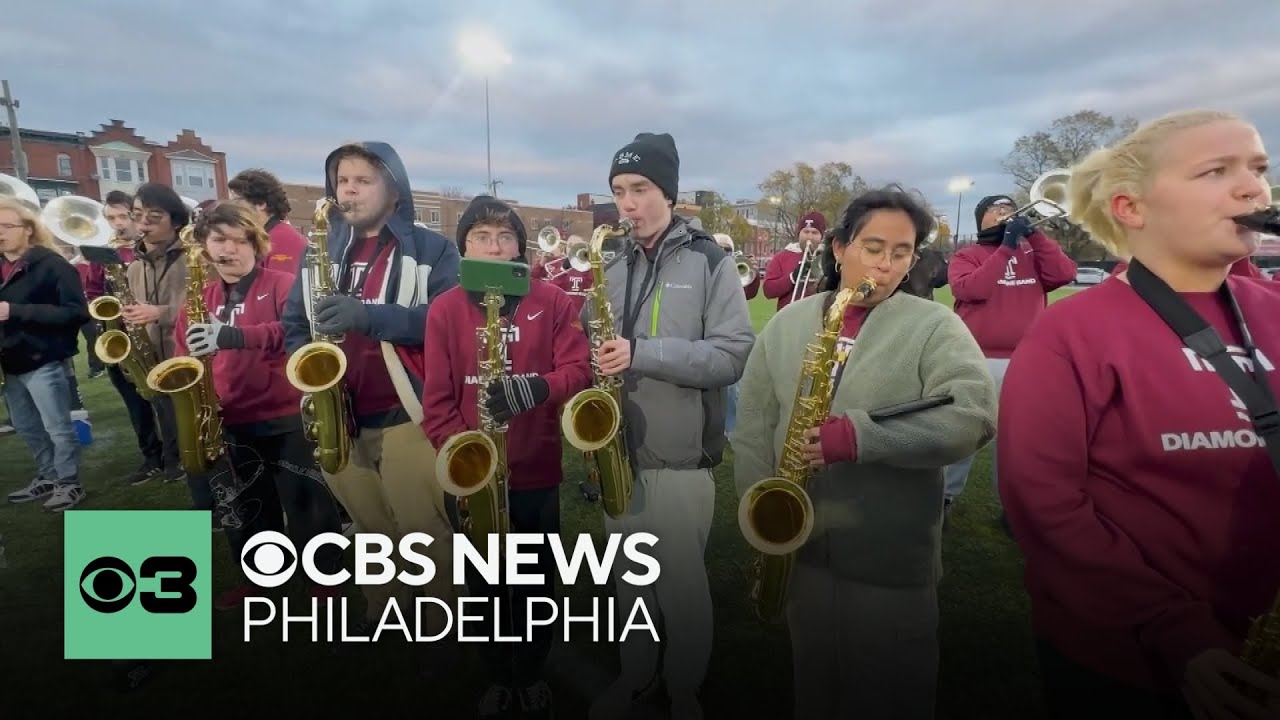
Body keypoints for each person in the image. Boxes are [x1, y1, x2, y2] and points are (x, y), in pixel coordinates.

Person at [999, 109, 1280, 720]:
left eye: (1258, 169)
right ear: (1130, 207)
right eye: (1216, 171)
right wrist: (1173, 629)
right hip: (1126, 661)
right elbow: (1046, 506)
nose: (1254, 188)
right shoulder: (1070, 332)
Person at [731, 186, 997, 719]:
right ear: (838, 248)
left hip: (889, 564)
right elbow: (756, 424)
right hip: (802, 553)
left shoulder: (935, 326)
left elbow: (973, 416)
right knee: (814, 690)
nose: (887, 264)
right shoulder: (787, 323)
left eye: (902, 253)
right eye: (873, 248)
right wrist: (762, 514)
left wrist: (859, 438)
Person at [588, 132, 755, 720]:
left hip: (681, 454)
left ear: (669, 192)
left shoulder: (709, 259)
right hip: (615, 449)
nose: (626, 204)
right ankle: (637, 677)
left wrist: (642, 352)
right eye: (617, 191)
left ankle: (684, 688)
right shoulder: (609, 257)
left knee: (680, 585)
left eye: (639, 189)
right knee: (630, 583)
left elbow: (734, 354)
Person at [280, 141, 460, 655]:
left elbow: (444, 325)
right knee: (368, 525)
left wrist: (369, 316)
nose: (349, 191)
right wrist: (308, 367)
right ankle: (384, 607)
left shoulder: (433, 250)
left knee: (421, 525)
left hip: (405, 408)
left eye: (363, 180)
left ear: (394, 188)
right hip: (337, 412)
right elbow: (295, 322)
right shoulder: (320, 248)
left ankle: (439, 620)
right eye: (342, 181)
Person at [421, 195, 592, 720]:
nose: (494, 248)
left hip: (534, 473)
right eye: (480, 237)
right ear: (464, 245)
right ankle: (497, 675)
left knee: (538, 582)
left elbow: (579, 371)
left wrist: (536, 389)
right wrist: (466, 458)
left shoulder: (554, 301)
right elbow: (438, 403)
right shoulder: (447, 308)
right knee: (485, 586)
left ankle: (533, 673)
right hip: (473, 476)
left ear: (519, 244)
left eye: (504, 237)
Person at [173, 202, 344, 609]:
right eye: (219, 239)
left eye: (239, 239)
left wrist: (233, 336)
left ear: (256, 243)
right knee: (250, 506)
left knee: (307, 502)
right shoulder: (200, 298)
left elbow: (293, 330)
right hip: (228, 418)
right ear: (205, 246)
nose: (229, 249)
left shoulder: (283, 284)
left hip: (284, 416)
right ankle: (262, 580)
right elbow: (184, 355)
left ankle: (325, 574)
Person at [943, 193, 1077, 517]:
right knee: (965, 429)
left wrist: (1034, 235)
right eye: (996, 210)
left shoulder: (1032, 250)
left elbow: (1064, 273)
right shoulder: (967, 254)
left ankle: (1012, 506)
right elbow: (971, 290)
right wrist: (1006, 248)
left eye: (1009, 209)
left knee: (1018, 441)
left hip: (1025, 360)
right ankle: (944, 497)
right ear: (980, 219)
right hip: (977, 357)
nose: (1004, 214)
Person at [0, 198, 91, 511]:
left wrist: (16, 311)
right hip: (9, 362)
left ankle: (69, 483)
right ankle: (48, 476)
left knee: (57, 427)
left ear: (28, 230)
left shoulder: (53, 264)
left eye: (6, 226)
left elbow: (77, 313)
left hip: (45, 359)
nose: (0, 233)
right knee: (26, 427)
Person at [96, 191, 167, 483]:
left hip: (151, 334)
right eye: (111, 218)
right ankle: (151, 454)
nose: (119, 223)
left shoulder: (147, 253)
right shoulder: (103, 251)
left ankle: (174, 457)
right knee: (135, 402)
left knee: (164, 403)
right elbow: (92, 294)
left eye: (124, 216)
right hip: (120, 334)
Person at [124, 184, 191, 486]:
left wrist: (161, 313)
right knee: (166, 418)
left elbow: (205, 308)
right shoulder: (134, 267)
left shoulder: (193, 259)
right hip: (152, 356)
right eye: (138, 216)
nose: (143, 225)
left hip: (186, 357)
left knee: (193, 425)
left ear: (176, 221)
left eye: (154, 217)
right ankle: (174, 460)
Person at [715, 232, 758, 438]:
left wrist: (753, 273)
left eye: (727, 249)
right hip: (710, 333)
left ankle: (732, 428)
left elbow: (750, 293)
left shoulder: (734, 269)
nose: (723, 252)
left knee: (733, 386)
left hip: (732, 334)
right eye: (719, 247)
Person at [228, 168, 308, 275]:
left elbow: (281, 289)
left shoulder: (283, 240)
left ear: (261, 204)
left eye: (237, 201)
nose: (232, 209)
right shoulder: (267, 236)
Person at [762, 211, 826, 311]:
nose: (809, 237)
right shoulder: (782, 256)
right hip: (787, 318)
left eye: (814, 233)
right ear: (799, 234)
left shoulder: (828, 257)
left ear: (821, 236)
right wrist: (792, 278)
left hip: (818, 318)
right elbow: (768, 291)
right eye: (806, 232)